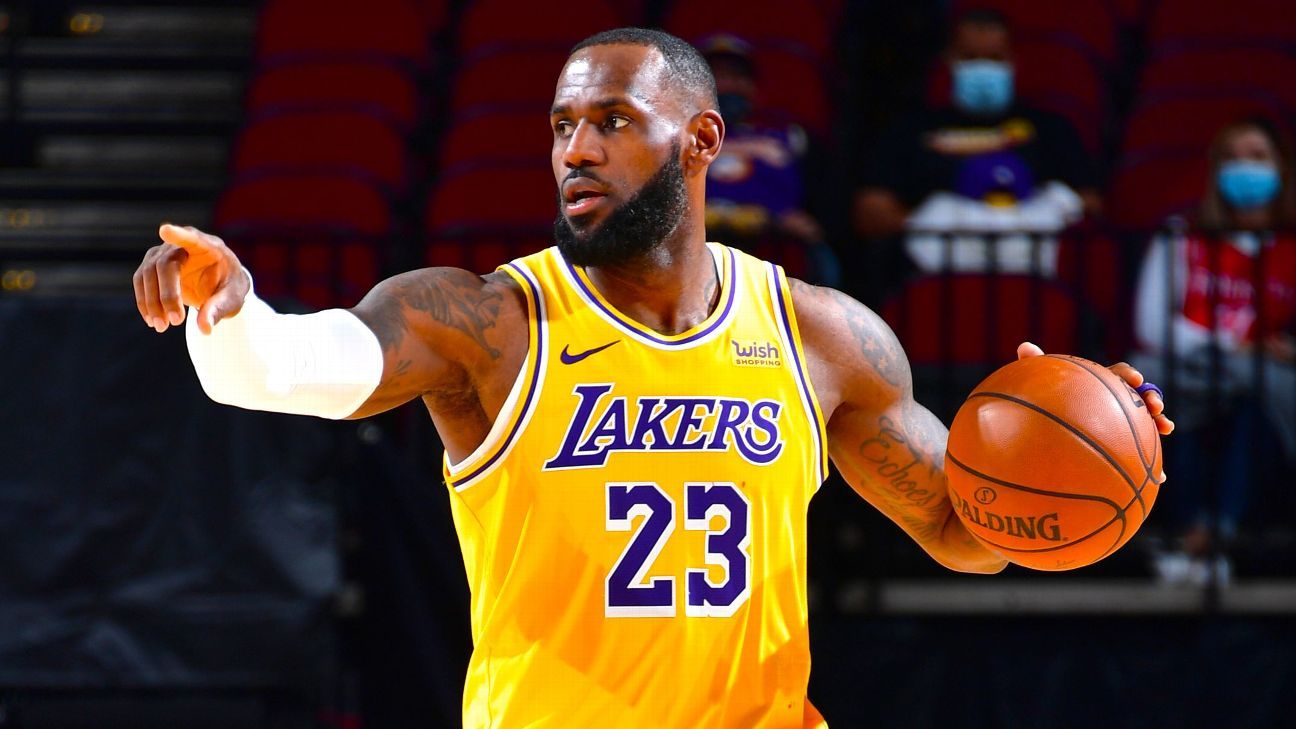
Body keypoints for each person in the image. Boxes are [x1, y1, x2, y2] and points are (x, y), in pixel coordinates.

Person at [133, 28, 1172, 728]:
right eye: (560, 127)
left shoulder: (824, 339)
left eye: (612, 122)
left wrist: (1066, 433)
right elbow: (299, 371)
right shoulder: (486, 319)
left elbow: (963, 530)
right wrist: (229, 315)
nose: (576, 150)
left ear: (702, 139)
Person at [1132, 118, 1296, 586]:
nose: (1246, 168)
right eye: (1234, 158)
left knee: (1258, 401)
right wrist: (1232, 346)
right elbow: (1152, 326)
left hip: (1258, 381)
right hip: (1188, 371)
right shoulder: (1180, 235)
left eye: (1258, 157)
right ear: (1216, 171)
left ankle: (1210, 535)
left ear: (1282, 169)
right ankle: (1187, 533)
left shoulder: (1291, 245)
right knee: (1163, 405)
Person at [850, 9, 1100, 298]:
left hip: (1031, 286)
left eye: (994, 59)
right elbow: (869, 211)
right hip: (939, 289)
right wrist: (935, 219)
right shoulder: (910, 130)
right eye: (970, 58)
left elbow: (1090, 205)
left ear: (1013, 62)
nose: (983, 69)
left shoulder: (1051, 129)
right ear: (949, 61)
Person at [697, 33, 841, 287]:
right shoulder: (673, 136)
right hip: (698, 249)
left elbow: (820, 205)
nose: (727, 86)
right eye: (717, 77)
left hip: (776, 252)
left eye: (737, 77)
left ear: (753, 87)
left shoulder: (790, 134)